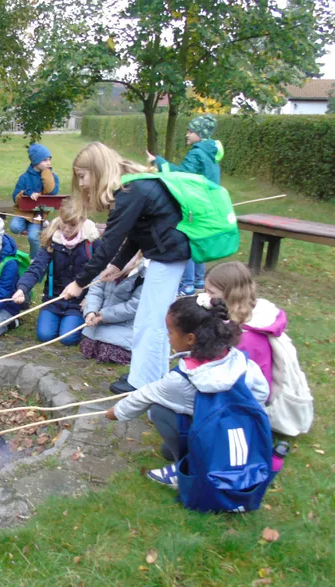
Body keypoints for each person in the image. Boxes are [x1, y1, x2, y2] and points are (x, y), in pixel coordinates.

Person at [61, 142, 191, 395]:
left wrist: (79, 283)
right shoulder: (131, 187)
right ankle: (150, 376)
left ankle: (143, 382)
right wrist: (117, 264)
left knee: (151, 322)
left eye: (82, 176)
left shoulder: (130, 191)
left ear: (97, 170)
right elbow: (135, 234)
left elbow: (108, 242)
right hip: (165, 253)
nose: (83, 184)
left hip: (169, 254)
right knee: (150, 319)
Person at [105, 294, 269, 488]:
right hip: (239, 437)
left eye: (170, 332)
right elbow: (262, 392)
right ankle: (199, 454)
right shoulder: (241, 361)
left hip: (210, 440)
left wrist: (114, 413)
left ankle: (188, 468)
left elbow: (145, 395)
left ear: (190, 338)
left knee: (159, 409)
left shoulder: (183, 379)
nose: (168, 336)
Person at [146, 115, 224, 296]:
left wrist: (158, 162)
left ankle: (187, 284)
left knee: (187, 241)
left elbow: (182, 176)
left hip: (193, 205)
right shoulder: (211, 153)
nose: (187, 134)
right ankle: (198, 281)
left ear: (200, 133)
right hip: (206, 205)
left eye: (190, 131)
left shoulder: (197, 153)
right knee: (198, 239)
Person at [12, 201, 99, 345]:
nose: (67, 229)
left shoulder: (91, 242)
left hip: (79, 301)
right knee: (44, 335)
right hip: (54, 299)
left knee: (68, 339)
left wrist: (90, 299)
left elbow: (100, 273)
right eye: (65, 223)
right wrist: (22, 288)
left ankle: (76, 321)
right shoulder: (52, 241)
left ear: (82, 222)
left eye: (73, 225)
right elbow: (37, 267)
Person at [204, 261, 287, 392]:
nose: (207, 296)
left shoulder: (246, 338)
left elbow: (237, 380)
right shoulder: (235, 320)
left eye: (211, 292)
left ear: (230, 294)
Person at [79, 255, 146, 364]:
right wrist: (91, 311)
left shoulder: (142, 276)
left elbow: (133, 306)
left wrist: (104, 315)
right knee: (89, 346)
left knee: (109, 351)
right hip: (100, 320)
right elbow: (96, 291)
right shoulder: (110, 266)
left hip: (124, 324)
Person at [9, 143, 60, 257]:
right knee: (14, 227)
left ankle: (34, 259)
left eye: (49, 160)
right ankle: (30, 226)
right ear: (36, 161)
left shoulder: (52, 176)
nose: (49, 163)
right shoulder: (25, 177)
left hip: (38, 215)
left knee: (33, 237)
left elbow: (52, 192)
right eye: (45, 160)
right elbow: (15, 196)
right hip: (23, 212)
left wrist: (46, 173)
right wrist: (27, 193)